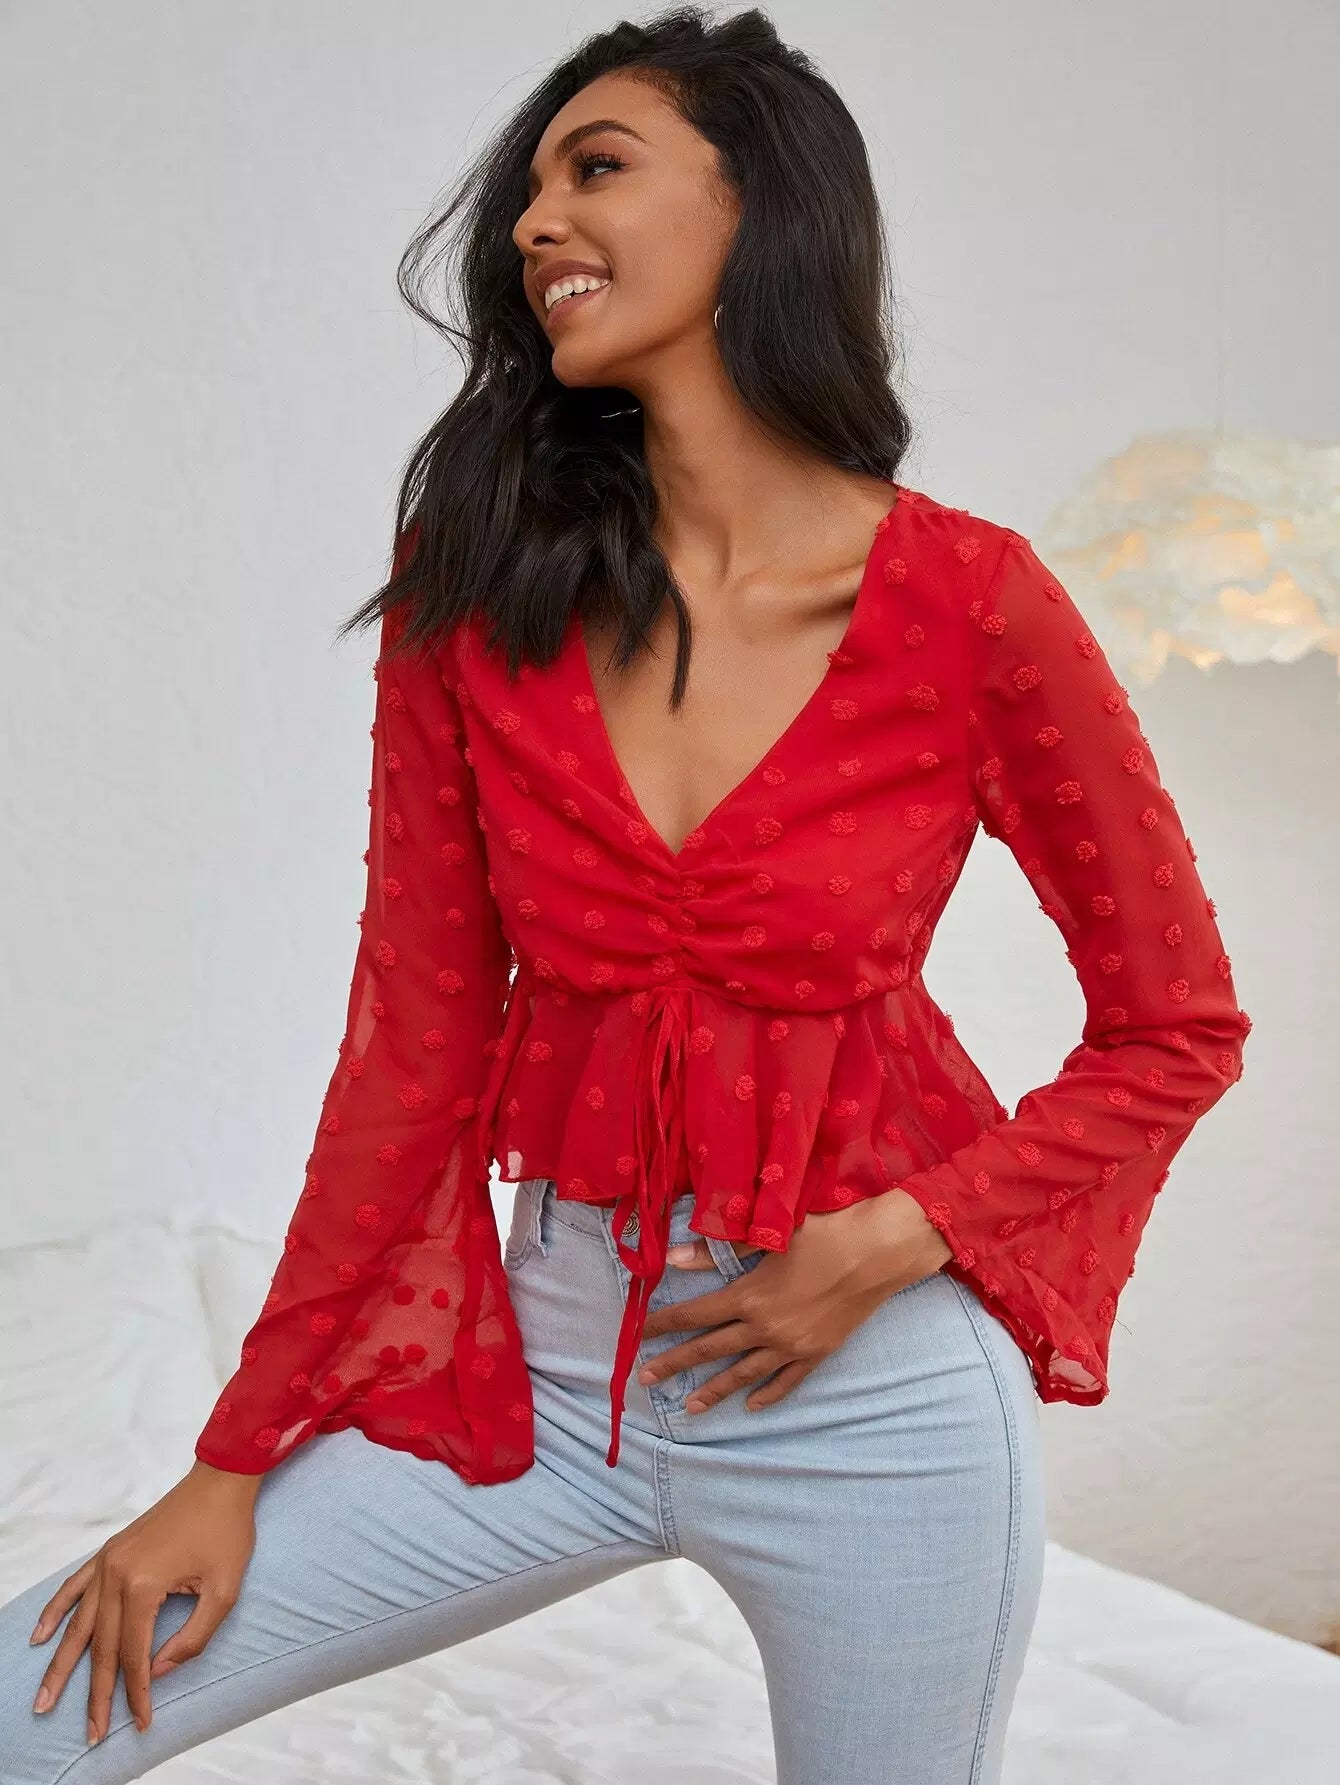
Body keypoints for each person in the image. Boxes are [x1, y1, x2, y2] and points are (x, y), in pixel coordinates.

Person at [0, 7, 1249, 1782]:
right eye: (529, 189)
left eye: (596, 167)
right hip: (547, 1366)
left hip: (873, 1395)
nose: (532, 221)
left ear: (761, 208)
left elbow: (1177, 1026)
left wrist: (892, 1240)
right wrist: (231, 1460)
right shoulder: (476, 590)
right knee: (34, 1705)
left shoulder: (977, 607)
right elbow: (411, 1053)